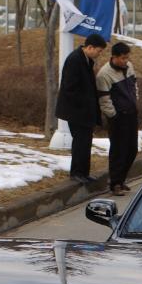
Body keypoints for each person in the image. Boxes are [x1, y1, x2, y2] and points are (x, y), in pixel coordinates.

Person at [56, 32, 106, 184]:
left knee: (86, 142)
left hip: (85, 111)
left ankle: (84, 172)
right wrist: (84, 105)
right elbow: (69, 88)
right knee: (80, 141)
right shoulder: (75, 60)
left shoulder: (86, 60)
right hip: (76, 111)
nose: (99, 54)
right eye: (98, 50)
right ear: (90, 47)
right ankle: (76, 172)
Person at [97, 41, 139, 195]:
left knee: (132, 149)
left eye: (127, 58)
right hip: (118, 117)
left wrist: (135, 102)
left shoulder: (129, 67)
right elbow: (104, 98)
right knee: (118, 150)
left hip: (131, 113)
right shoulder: (104, 74)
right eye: (122, 58)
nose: (125, 61)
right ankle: (115, 183)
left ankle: (122, 180)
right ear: (114, 57)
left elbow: (134, 85)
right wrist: (113, 115)